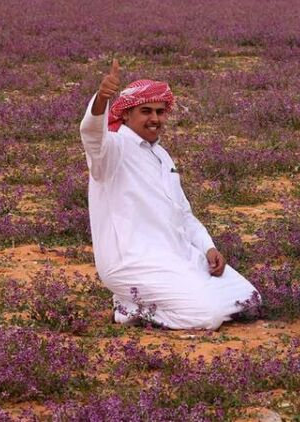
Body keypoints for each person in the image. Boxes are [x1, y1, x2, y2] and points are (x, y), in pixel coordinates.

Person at [80, 60, 259, 330]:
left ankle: (171, 298)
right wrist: (102, 100)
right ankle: (130, 307)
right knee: (206, 317)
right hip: (132, 262)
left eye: (161, 112)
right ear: (126, 115)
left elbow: (183, 213)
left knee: (250, 300)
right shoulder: (112, 150)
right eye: (146, 111)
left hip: (176, 255)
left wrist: (208, 247)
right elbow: (92, 135)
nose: (155, 119)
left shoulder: (161, 155)